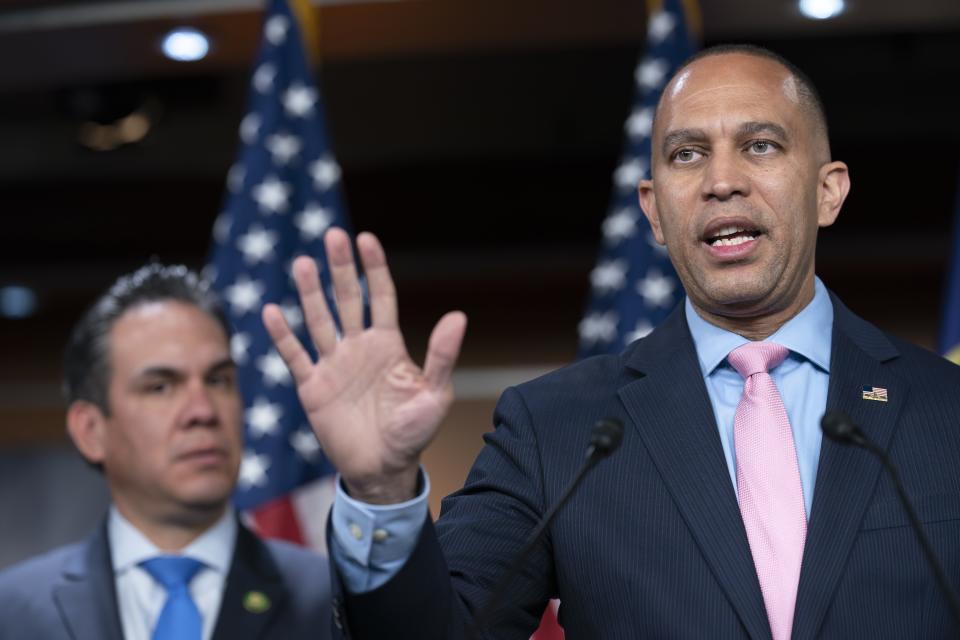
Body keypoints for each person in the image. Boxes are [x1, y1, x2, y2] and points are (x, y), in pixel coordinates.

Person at [264, 45, 960, 638]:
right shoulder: (558, 429)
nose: (721, 181)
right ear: (656, 212)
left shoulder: (946, 409)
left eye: (760, 145)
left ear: (828, 191)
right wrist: (382, 489)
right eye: (688, 155)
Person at [0, 264, 335, 640]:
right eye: (160, 387)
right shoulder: (12, 613)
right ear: (90, 431)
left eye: (218, 380)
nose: (203, 411)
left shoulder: (332, 604)